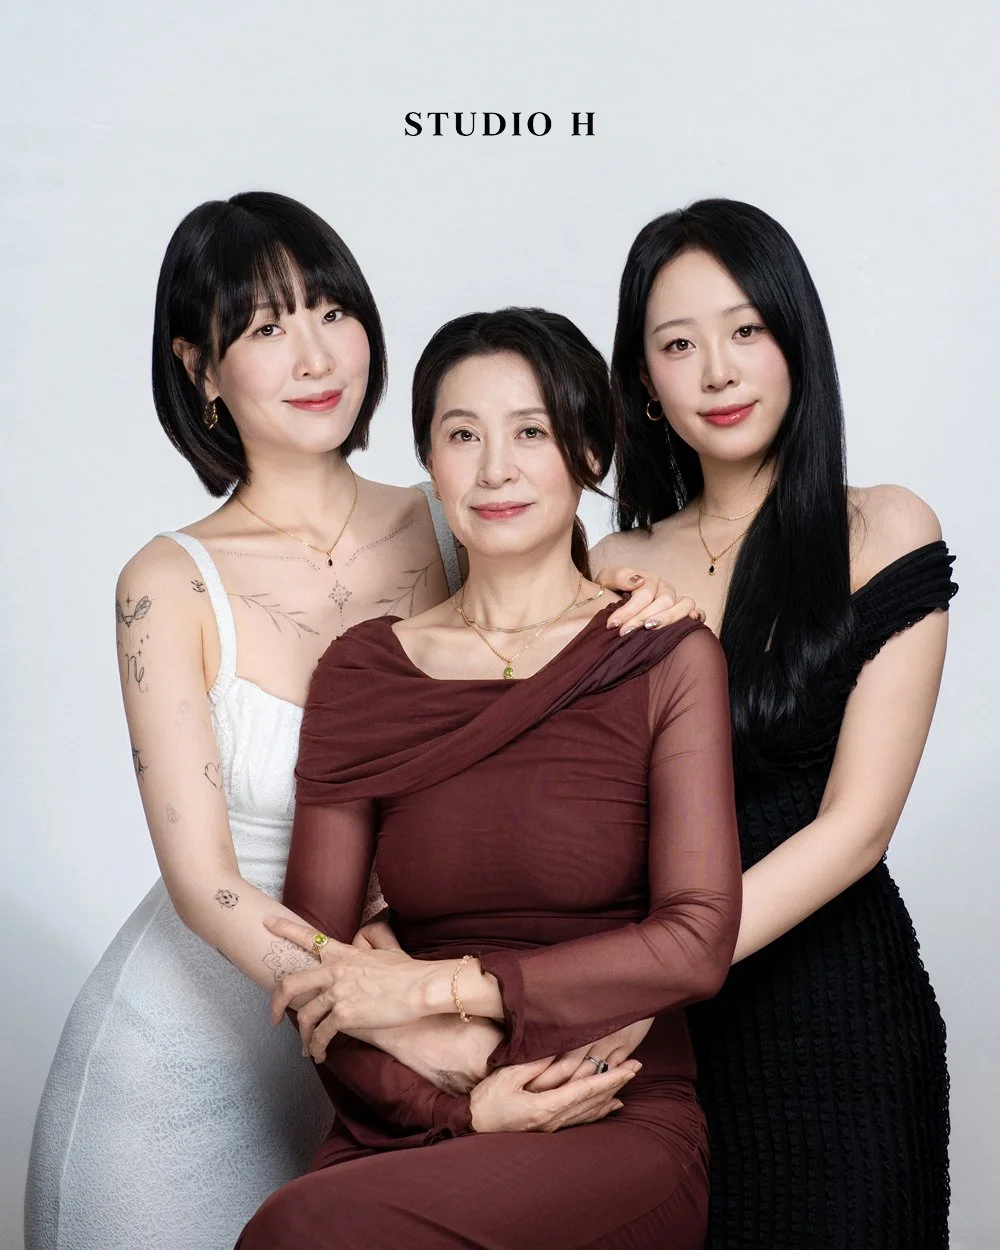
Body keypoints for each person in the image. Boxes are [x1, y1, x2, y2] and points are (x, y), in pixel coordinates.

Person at [24, 194, 689, 1250]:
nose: (312, 355)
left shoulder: (452, 505)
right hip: (204, 1046)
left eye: (330, 310)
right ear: (199, 367)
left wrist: (646, 595)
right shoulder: (166, 581)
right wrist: (396, 1018)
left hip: (400, 1046)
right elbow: (205, 882)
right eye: (264, 327)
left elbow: (562, 641)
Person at [237, 307, 743, 1250]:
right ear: (429, 461)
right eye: (462, 435)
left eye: (532, 432)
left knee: (306, 1232)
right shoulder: (364, 670)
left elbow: (694, 943)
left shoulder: (664, 658)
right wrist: (460, 1110)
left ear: (590, 448)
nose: (496, 469)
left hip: (604, 1107)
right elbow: (322, 968)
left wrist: (439, 991)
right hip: (408, 1111)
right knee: (300, 1226)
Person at [595, 198, 957, 1249]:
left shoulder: (883, 526)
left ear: (795, 339)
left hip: (843, 1038)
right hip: (668, 1062)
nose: (716, 369)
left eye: (745, 329)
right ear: (646, 385)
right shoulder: (609, 569)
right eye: (677, 343)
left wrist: (649, 981)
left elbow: (854, 829)